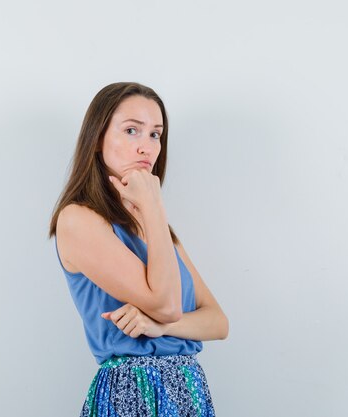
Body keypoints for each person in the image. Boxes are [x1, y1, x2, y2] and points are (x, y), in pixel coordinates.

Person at [48, 82, 229, 416]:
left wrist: (160, 326)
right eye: (132, 130)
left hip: (188, 389)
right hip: (129, 393)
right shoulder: (78, 219)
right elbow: (166, 303)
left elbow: (217, 322)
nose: (147, 147)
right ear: (97, 139)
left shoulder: (157, 229)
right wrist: (154, 205)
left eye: (155, 135)